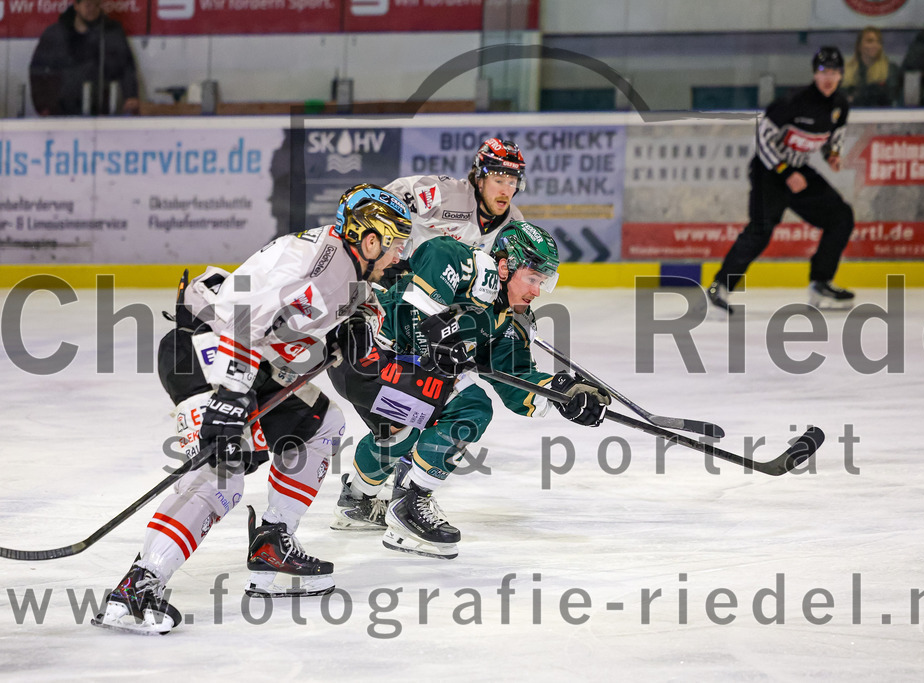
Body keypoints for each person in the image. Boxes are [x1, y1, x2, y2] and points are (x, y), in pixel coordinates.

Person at [92, 184, 412, 634]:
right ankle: (137, 589)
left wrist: (357, 324)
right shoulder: (327, 270)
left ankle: (272, 547)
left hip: (248, 363)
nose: (402, 254)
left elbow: (333, 319)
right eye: (396, 243)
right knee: (222, 474)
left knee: (323, 424)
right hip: (205, 352)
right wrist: (232, 396)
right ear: (370, 240)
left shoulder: (347, 265)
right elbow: (244, 314)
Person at [327, 221, 611, 559]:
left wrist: (562, 393)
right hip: (365, 351)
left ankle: (356, 502)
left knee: (401, 433)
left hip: (370, 369)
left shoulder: (511, 320)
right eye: (533, 278)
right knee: (470, 407)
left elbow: (517, 382)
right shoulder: (471, 266)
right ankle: (410, 504)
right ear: (505, 265)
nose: (537, 291)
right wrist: (436, 337)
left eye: (542, 282)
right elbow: (434, 255)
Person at [707, 47, 855, 314]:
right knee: (761, 230)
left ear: (842, 75)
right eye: (824, 72)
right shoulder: (793, 102)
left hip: (800, 172)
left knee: (841, 217)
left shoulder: (840, 105)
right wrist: (785, 172)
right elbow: (762, 138)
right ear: (814, 74)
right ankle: (720, 286)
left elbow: (835, 135)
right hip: (770, 172)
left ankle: (820, 282)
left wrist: (832, 153)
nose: (829, 78)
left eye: (834, 72)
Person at [379, 138, 527, 284]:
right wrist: (392, 241)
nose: (505, 191)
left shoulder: (514, 222)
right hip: (401, 270)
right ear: (479, 180)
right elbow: (389, 197)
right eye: (499, 181)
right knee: (393, 306)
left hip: (452, 285)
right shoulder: (447, 195)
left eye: (512, 182)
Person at [29, 0, 140, 116]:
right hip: (61, 113)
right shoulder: (56, 33)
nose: (92, 9)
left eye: (96, 5)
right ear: (76, 6)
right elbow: (38, 71)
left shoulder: (111, 32)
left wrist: (131, 96)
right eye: (88, 5)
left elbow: (126, 67)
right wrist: (42, 106)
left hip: (101, 113)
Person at [841, 27, 902, 107]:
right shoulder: (846, 69)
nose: (875, 45)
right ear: (859, 45)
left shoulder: (891, 69)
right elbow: (841, 97)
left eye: (878, 42)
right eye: (870, 41)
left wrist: (857, 96)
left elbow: (891, 97)